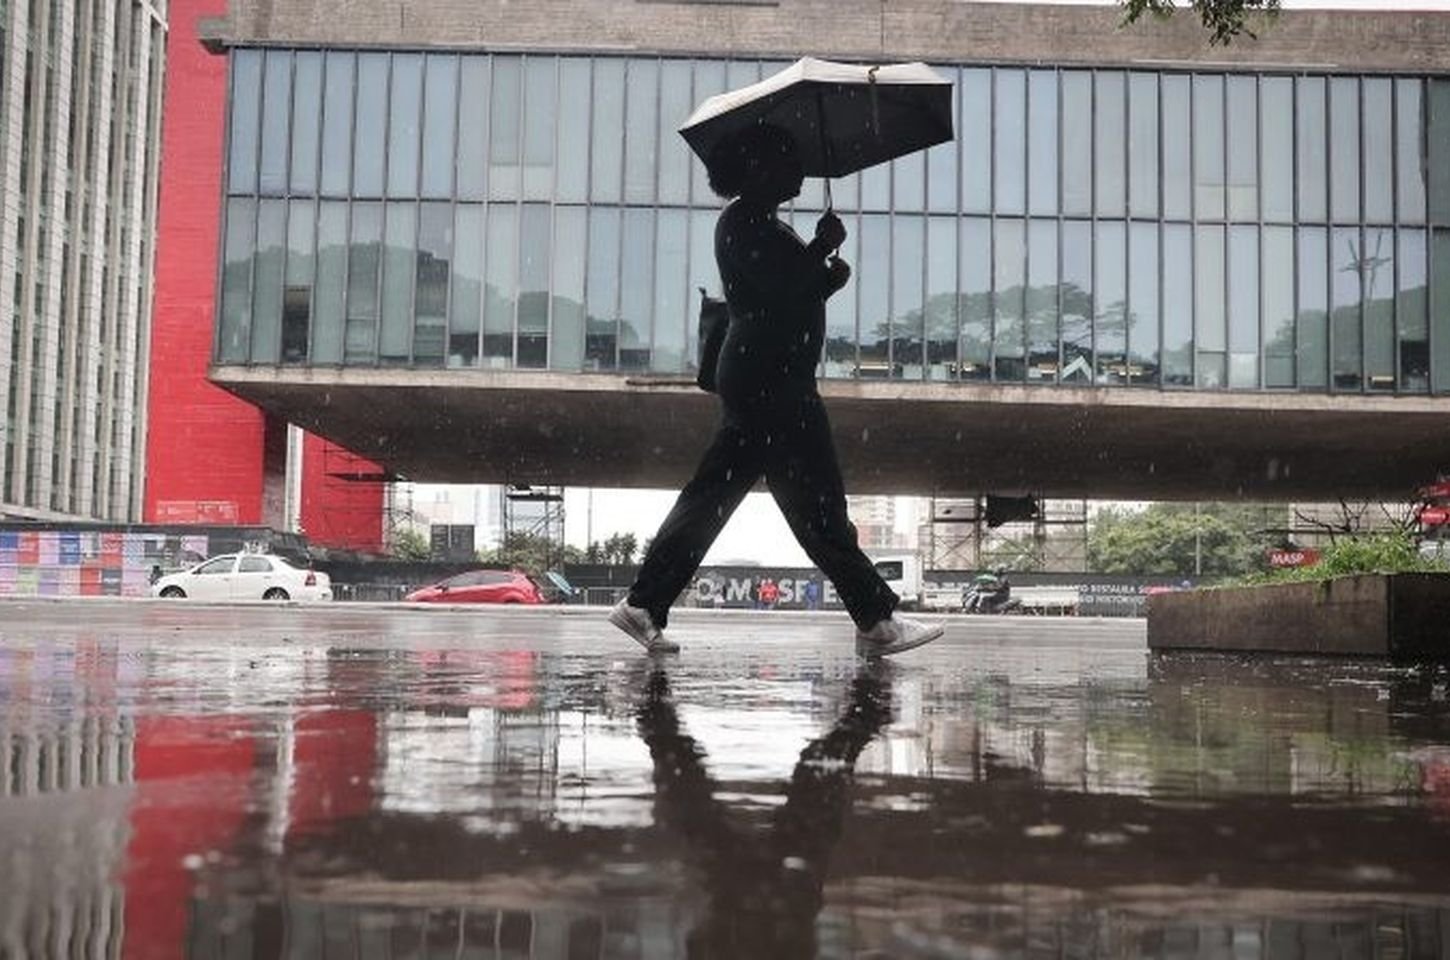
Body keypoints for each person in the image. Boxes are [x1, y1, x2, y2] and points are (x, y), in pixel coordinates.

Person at [609, 123, 942, 657]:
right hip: (771, 382)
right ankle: (875, 619)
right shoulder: (744, 223)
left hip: (766, 378)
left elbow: (789, 291)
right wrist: (822, 248)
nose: (799, 171)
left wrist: (826, 275)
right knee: (815, 504)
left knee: (721, 497)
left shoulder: (758, 223)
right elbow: (780, 291)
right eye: (788, 159)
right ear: (757, 168)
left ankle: (644, 603)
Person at [636, 664, 893, 956]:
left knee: (814, 785)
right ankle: (657, 721)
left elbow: (699, 942)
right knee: (816, 782)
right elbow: (698, 942)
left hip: (758, 901)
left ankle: (657, 718)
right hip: (763, 901)